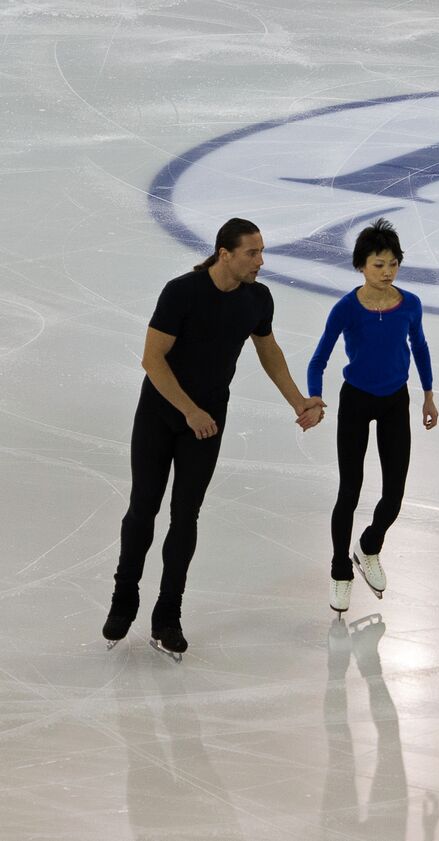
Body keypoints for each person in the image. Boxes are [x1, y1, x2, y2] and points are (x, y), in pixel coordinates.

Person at [103, 218, 326, 659]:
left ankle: (168, 615)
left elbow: (268, 351)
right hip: (163, 413)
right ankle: (123, 597)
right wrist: (189, 410)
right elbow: (152, 358)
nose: (261, 262)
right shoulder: (182, 292)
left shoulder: (257, 299)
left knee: (185, 516)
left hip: (207, 422)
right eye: (252, 253)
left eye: (262, 252)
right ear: (225, 254)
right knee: (143, 508)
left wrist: (298, 400)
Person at [307, 219, 437, 614]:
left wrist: (429, 396)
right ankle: (339, 571)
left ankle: (368, 546)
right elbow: (319, 358)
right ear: (361, 265)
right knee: (350, 491)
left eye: (393, 264)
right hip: (357, 401)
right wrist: (315, 397)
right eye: (378, 264)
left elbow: (421, 348)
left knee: (393, 495)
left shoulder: (410, 304)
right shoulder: (346, 308)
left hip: (396, 400)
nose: (387, 272)